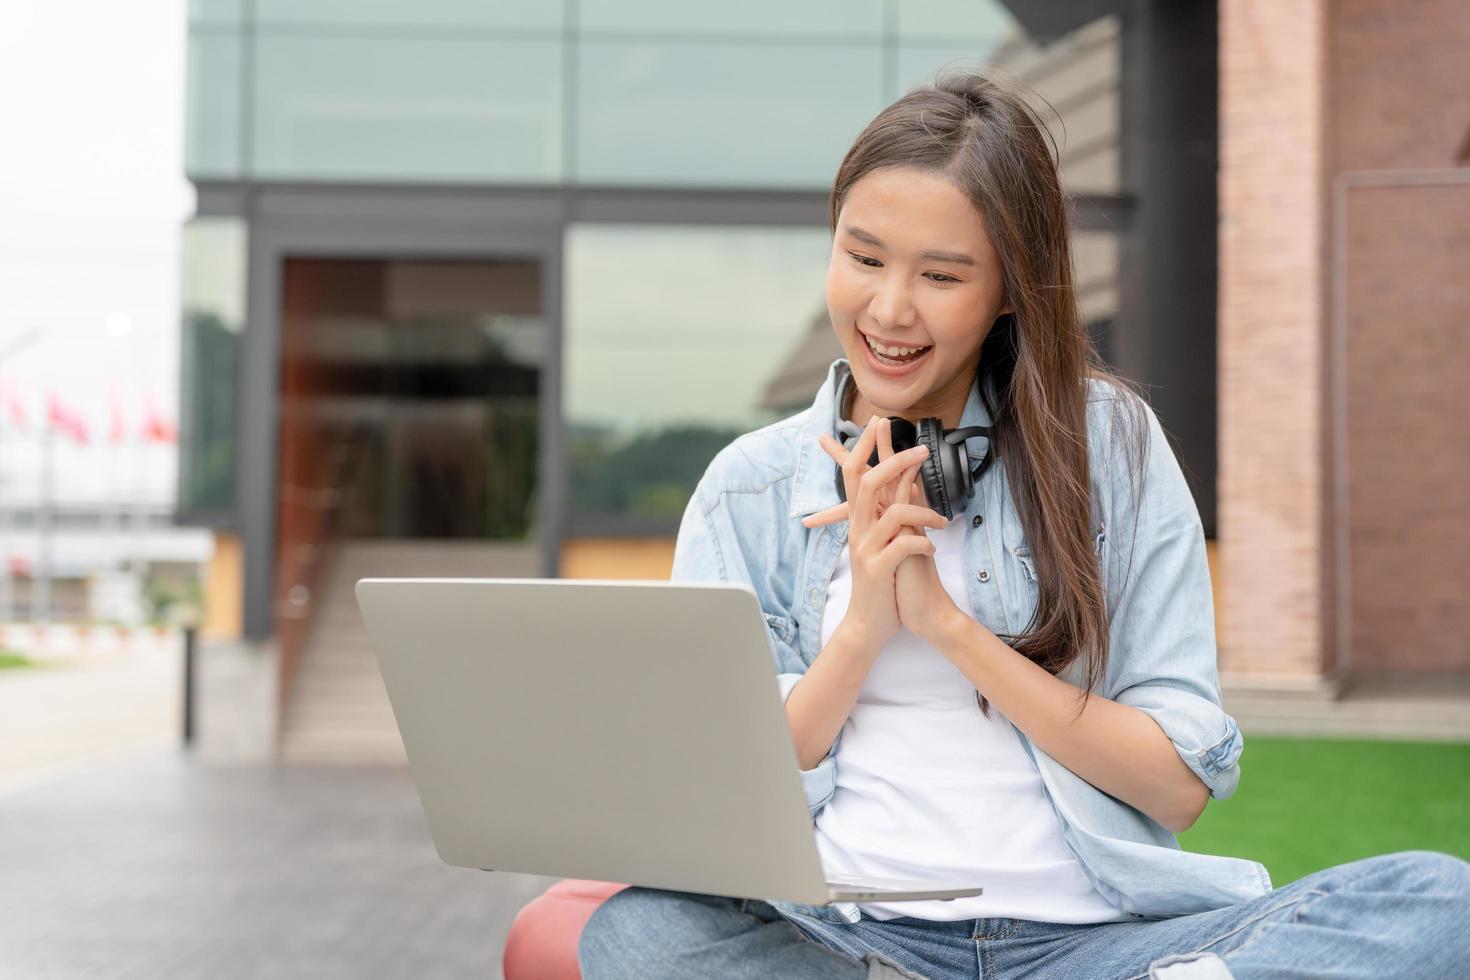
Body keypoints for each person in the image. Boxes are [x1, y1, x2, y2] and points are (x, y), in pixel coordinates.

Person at [577, 69, 1470, 980]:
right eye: (864, 257)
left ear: (1009, 289)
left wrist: (950, 629)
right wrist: (860, 633)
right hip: (847, 939)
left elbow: (1175, 785)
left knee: (1443, 904)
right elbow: (723, 794)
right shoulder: (751, 489)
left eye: (942, 275)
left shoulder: (1109, 446)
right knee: (637, 934)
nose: (890, 309)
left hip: (1096, 946)